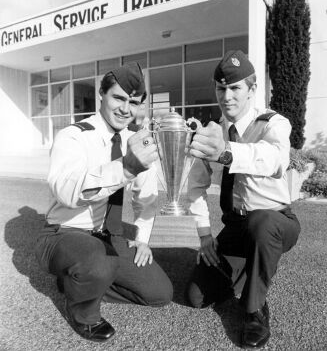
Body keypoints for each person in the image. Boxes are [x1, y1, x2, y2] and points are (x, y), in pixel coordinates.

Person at [35, 62, 173, 342]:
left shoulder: (134, 140)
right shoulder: (74, 135)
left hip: (107, 236)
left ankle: (77, 281)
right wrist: (125, 168)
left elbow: (146, 198)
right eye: (119, 98)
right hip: (64, 232)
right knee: (99, 261)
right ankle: (83, 311)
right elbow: (67, 191)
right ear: (102, 95)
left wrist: (143, 238)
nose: (126, 109)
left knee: (159, 293)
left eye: (133, 102)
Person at [186, 50, 301, 349]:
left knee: (261, 224)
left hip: (275, 221)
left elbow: (274, 159)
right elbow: (195, 186)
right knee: (197, 296)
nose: (227, 96)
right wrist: (204, 236)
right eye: (221, 88)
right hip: (236, 227)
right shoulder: (213, 130)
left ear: (251, 90)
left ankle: (254, 309)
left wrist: (226, 152)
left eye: (235, 87)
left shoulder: (273, 123)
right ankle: (250, 266)